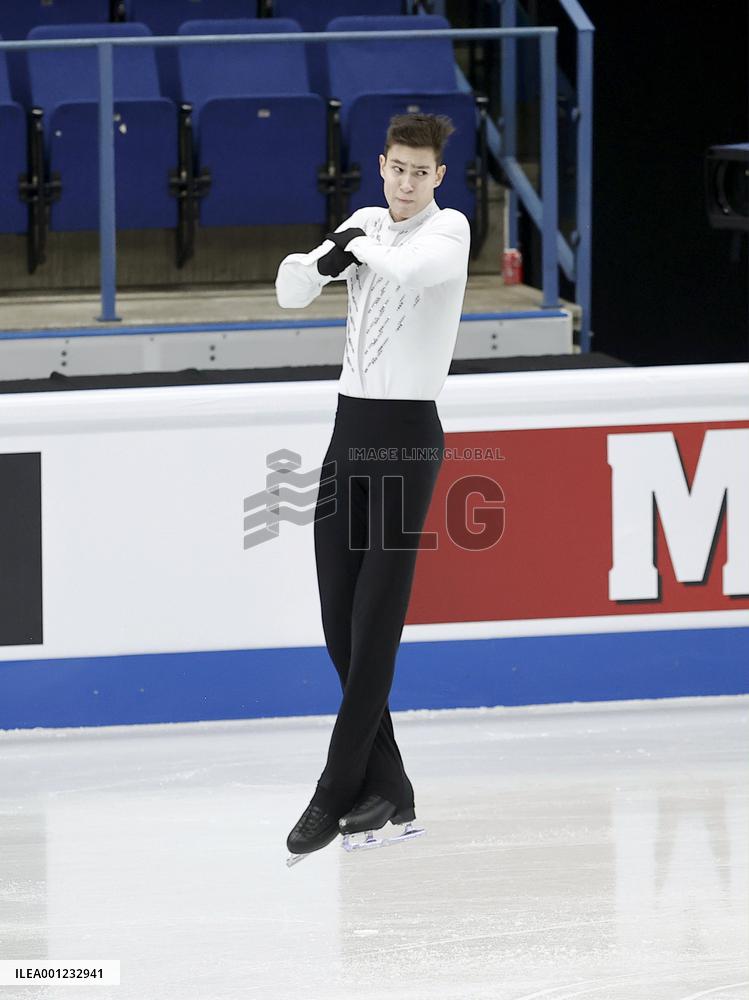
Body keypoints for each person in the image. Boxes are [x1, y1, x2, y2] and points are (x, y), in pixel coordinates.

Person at [275, 112, 471, 862]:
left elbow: (417, 275)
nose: (406, 182)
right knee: (338, 622)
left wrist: (357, 251)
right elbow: (292, 293)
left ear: (438, 177)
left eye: (420, 171)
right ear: (381, 163)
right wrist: (321, 258)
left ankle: (336, 788)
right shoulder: (362, 222)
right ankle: (391, 786)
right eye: (396, 167)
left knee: (376, 621)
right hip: (345, 433)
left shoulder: (445, 230)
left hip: (404, 436)